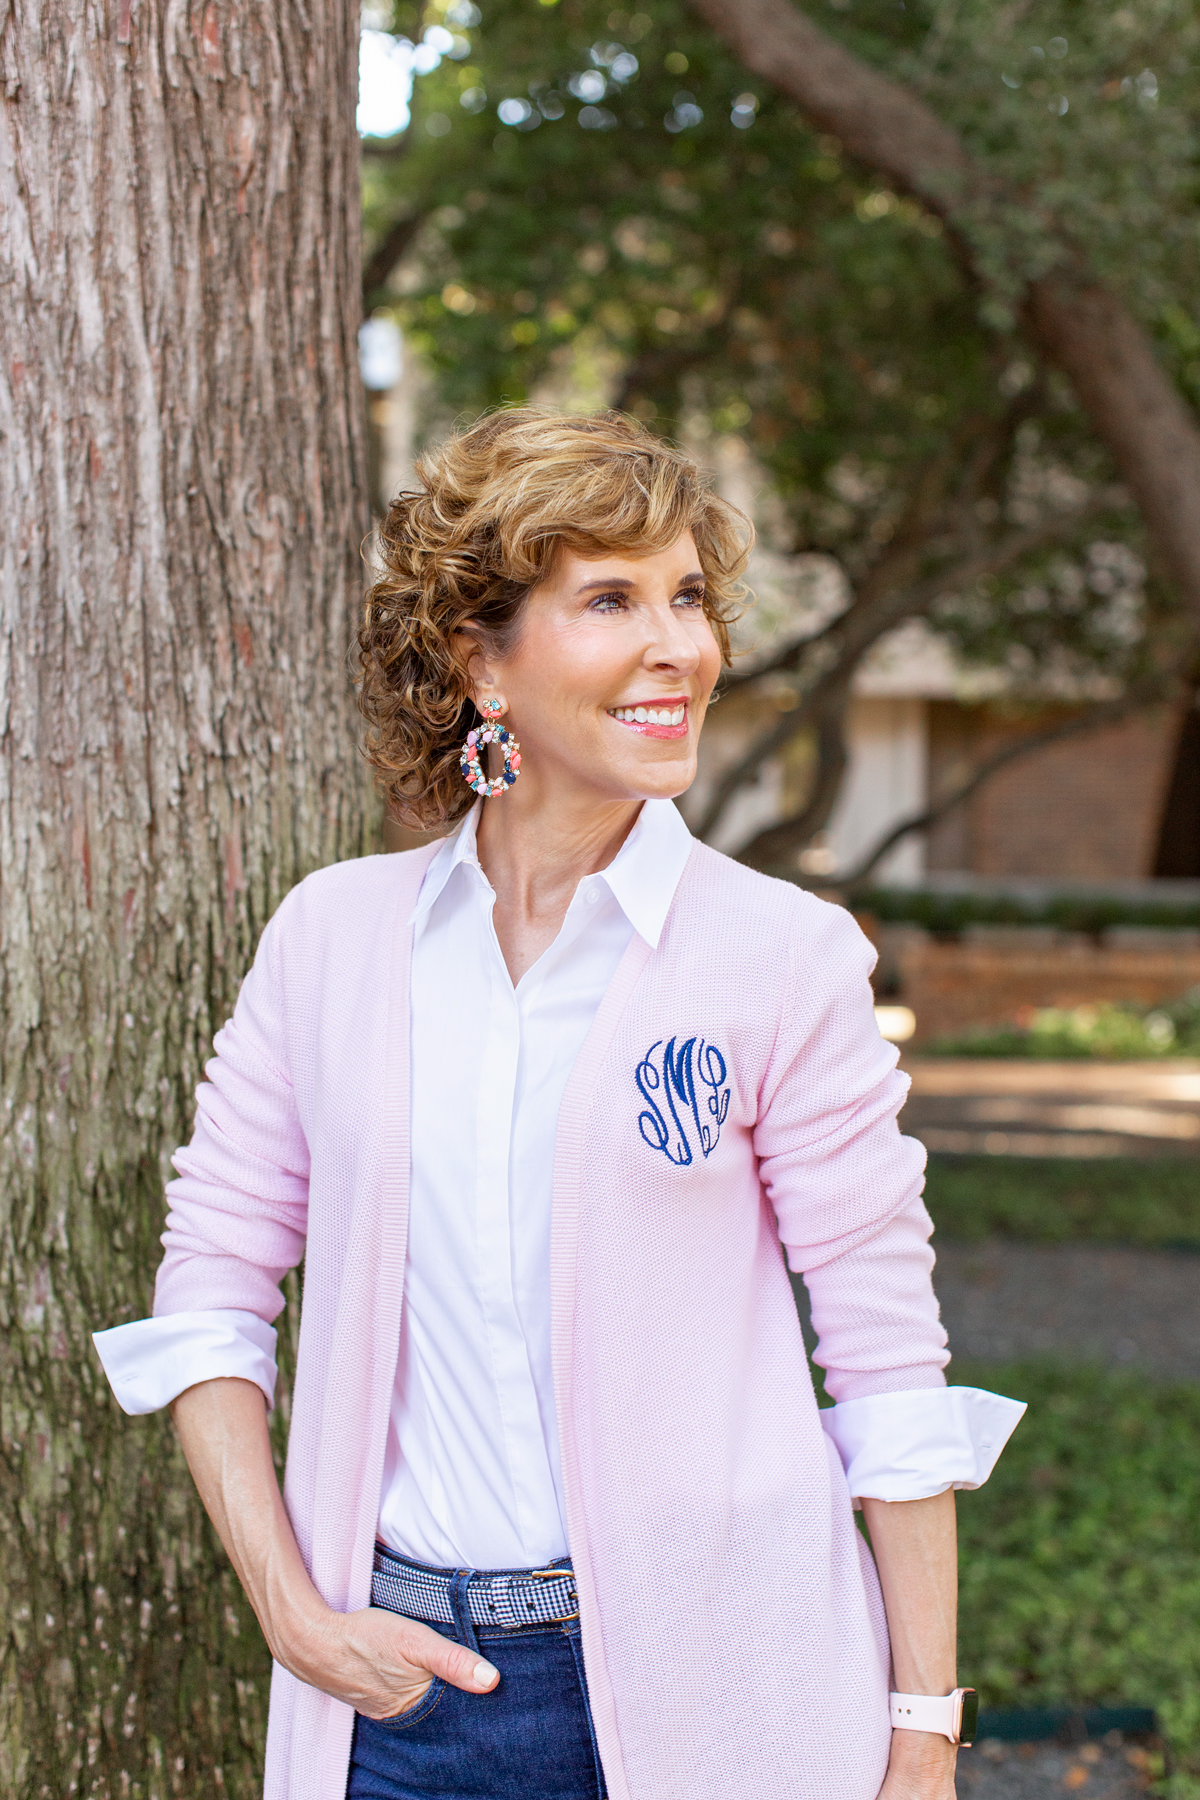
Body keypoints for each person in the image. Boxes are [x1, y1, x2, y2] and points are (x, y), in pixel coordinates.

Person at [94, 408, 1024, 1800]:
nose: (682, 647)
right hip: (393, 1702)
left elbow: (889, 1366)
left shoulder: (782, 956)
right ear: (481, 661)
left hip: (722, 1693)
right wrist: (291, 1610)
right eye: (611, 600)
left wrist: (922, 1734)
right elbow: (213, 1286)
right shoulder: (335, 938)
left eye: (690, 597)